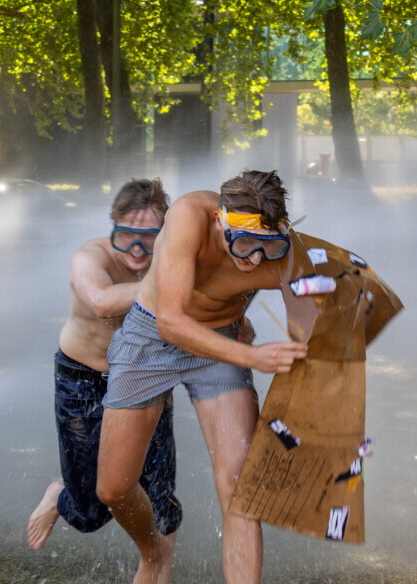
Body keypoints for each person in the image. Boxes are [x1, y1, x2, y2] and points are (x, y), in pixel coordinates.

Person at [96, 170, 311, 584]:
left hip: (221, 343)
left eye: (267, 246)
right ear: (219, 221)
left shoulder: (287, 254)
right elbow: (170, 323)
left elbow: (319, 318)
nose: (254, 259)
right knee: (113, 489)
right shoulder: (189, 215)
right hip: (152, 336)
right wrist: (251, 356)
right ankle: (153, 553)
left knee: (239, 490)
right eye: (244, 243)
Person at [26, 178, 182, 555]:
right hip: (82, 381)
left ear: (165, 235)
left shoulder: (174, 261)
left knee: (160, 500)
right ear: (112, 227)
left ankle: (157, 564)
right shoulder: (90, 257)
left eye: (149, 237)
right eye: (127, 235)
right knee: (89, 513)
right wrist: (169, 283)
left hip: (144, 379)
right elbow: (101, 301)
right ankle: (59, 494)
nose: (137, 248)